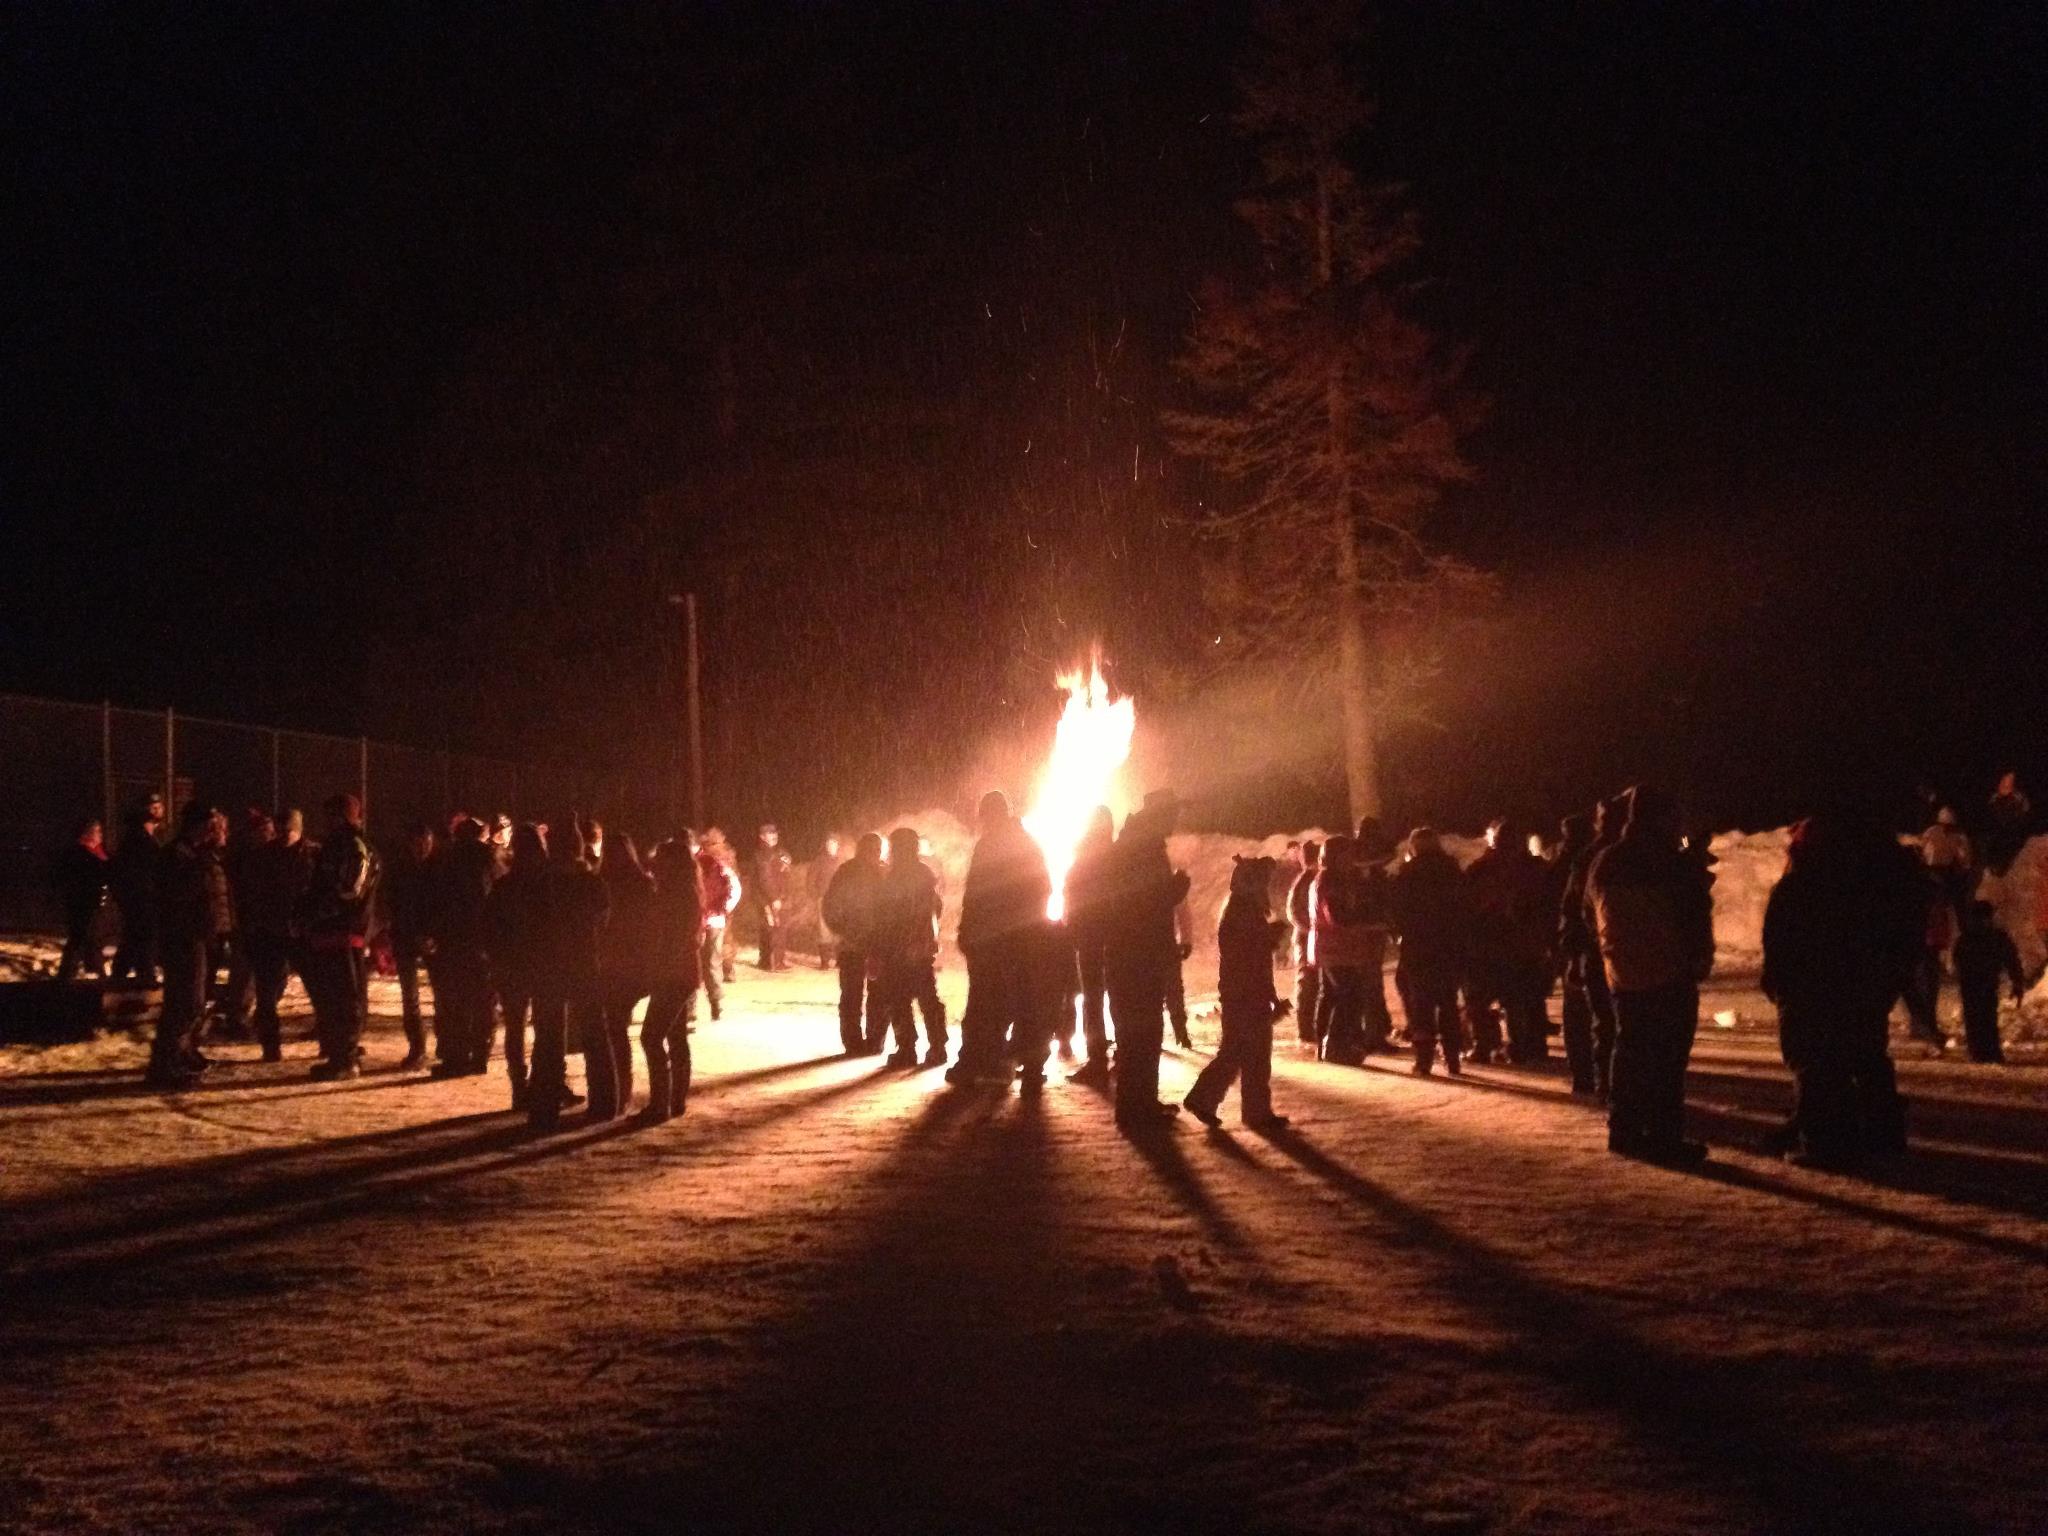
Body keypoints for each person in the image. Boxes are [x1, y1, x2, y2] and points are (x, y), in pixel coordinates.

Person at [1760, 810, 1921, 1166]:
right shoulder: (1862, 887)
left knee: (1814, 1064)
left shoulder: (1799, 888)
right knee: (1865, 1058)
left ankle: (1826, 1142)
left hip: (1809, 991)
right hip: (1861, 989)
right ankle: (1882, 1137)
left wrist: (1777, 981)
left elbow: (1780, 940)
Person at [1586, 784, 1715, 1166]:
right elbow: (1691, 913)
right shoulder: (1667, 862)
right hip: (1669, 971)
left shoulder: (1606, 860)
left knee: (1630, 1050)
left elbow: (1587, 912)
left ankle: (1623, 1130)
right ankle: (1663, 1137)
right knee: (1667, 1058)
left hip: (1623, 971)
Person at [948, 789, 1054, 1090]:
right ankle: (998, 1062)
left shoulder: (1003, 845)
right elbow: (1041, 888)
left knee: (995, 1003)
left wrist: (976, 930)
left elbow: (980, 895)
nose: (984, 822)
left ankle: (990, 1062)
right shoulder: (1021, 844)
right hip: (1004, 939)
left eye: (987, 816)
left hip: (1002, 940)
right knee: (1011, 1003)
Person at [1183, 855, 1291, 1131]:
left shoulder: (1243, 909)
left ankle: (1214, 1100)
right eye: (1262, 881)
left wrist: (1270, 995)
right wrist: (1270, 937)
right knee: (1248, 1052)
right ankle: (1247, 1110)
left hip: (1244, 991)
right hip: (1243, 993)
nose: (1265, 887)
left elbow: (1253, 953)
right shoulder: (1242, 911)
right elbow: (1249, 952)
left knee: (1242, 1051)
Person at [1103, 789, 1190, 1129]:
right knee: (1141, 1031)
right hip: (1138, 954)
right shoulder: (1142, 848)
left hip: (1134, 952)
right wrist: (1176, 888)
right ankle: (1135, 1110)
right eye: (1171, 815)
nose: (1175, 822)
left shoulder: (1134, 842)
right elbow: (1145, 903)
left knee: (1140, 1032)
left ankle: (1139, 1104)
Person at [528, 817, 608, 1132]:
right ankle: (604, 1102)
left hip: (548, 966)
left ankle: (543, 1109)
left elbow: (531, 922)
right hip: (584, 962)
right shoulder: (591, 881)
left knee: (548, 1039)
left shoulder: (542, 882)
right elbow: (603, 919)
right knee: (594, 1033)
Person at [145, 803, 232, 1088]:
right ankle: (165, 1064)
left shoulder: (200, 854)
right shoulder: (178, 854)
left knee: (195, 998)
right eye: (211, 826)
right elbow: (178, 896)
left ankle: (181, 1053)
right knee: (184, 1000)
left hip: (202, 934)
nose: (216, 832)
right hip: (183, 936)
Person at [1462, 817, 1555, 1065]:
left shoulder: (1481, 869)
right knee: (1529, 997)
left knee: (1492, 997)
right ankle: (1533, 1045)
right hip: (1528, 944)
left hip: (1494, 945)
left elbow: (1468, 907)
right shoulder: (1535, 868)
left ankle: (1495, 1046)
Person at [299, 793, 374, 1080]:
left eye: (332, 816)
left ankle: (346, 1058)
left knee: (345, 996)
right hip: (330, 931)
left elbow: (349, 891)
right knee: (331, 995)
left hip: (344, 931)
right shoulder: (335, 845)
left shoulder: (353, 846)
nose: (327, 822)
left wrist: (316, 912)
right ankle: (338, 1053)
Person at [1559, 796, 1626, 1098]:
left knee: (1604, 1021)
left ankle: (1604, 1082)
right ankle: (1612, 1084)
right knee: (1617, 1022)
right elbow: (1575, 909)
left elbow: (1573, 909)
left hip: (1598, 950)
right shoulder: (1598, 857)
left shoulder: (1591, 857)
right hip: (1616, 952)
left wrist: (1573, 953)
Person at [484, 823, 554, 1110]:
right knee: (545, 1025)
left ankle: (519, 1085)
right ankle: (543, 1082)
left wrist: (496, 958)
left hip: (511, 965)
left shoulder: (504, 886)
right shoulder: (547, 887)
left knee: (515, 1027)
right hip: (541, 964)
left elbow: (488, 927)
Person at [425, 817, 498, 1076]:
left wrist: (434, 931)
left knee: (453, 1001)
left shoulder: (447, 860)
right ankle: (480, 1054)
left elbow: (435, 899)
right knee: (482, 1000)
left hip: (453, 941)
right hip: (482, 942)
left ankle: (455, 1057)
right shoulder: (490, 860)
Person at [1391, 828, 1466, 1076]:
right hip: (1449, 946)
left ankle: (1424, 1060)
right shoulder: (1452, 871)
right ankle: (1453, 1057)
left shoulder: (1408, 874)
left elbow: (1397, 911)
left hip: (1418, 948)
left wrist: (1398, 932)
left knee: (1421, 1004)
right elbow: (1463, 906)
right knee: (1448, 1003)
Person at [873, 825, 950, 1068]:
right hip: (920, 948)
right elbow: (936, 908)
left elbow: (888, 916)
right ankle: (936, 1047)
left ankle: (907, 1048)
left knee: (900, 998)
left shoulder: (896, 878)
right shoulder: (924, 875)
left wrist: (884, 945)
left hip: (901, 948)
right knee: (926, 998)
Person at [642, 836, 706, 1121]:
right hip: (681, 972)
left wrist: (660, 963)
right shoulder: (682, 891)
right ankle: (675, 1099)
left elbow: (675, 937)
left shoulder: (678, 895)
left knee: (651, 1036)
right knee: (675, 1036)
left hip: (674, 974)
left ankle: (661, 1103)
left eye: (662, 860)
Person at [594, 834, 658, 1119]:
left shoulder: (604, 883)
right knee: (616, 1027)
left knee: (612, 1029)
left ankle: (616, 1094)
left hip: (615, 964)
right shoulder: (642, 883)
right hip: (632, 965)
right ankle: (620, 1092)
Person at [233, 811, 302, 1062]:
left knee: (290, 984)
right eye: (279, 830)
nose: (283, 835)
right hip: (268, 932)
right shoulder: (262, 857)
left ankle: (330, 1042)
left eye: (288, 831)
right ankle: (270, 1045)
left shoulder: (307, 854)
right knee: (266, 989)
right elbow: (251, 894)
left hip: (297, 931)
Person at [1310, 835, 1379, 1065]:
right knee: (1349, 994)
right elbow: (1338, 916)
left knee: (1331, 994)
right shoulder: (1331, 881)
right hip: (1337, 947)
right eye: (1347, 853)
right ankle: (1337, 1046)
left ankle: (1324, 1044)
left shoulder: (1326, 879)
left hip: (1329, 946)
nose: (1351, 858)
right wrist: (1368, 921)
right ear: (1337, 856)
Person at [820, 832, 887, 1056]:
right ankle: (860, 1041)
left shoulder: (880, 872)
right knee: (858, 993)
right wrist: (844, 930)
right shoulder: (852, 872)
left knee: (866, 994)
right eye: (873, 849)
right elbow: (831, 906)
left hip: (870, 944)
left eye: (878, 850)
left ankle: (865, 1041)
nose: (876, 854)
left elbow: (830, 906)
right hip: (859, 944)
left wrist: (843, 930)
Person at [1063, 805, 1116, 1082]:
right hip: (1110, 937)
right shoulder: (1118, 857)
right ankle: (1120, 1056)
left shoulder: (1083, 858)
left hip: (1091, 938)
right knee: (1115, 999)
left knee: (1093, 1000)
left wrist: (1072, 931)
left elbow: (1072, 897)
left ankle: (1097, 1060)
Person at [1550, 813, 1598, 1093]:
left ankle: (1582, 1072)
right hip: (1593, 945)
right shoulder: (1592, 858)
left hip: (1572, 945)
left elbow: (1550, 906)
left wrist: (1555, 942)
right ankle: (1600, 1072)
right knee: (1600, 1012)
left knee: (1577, 1011)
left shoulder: (1562, 865)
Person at [383, 821, 437, 1070]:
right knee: (410, 996)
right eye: (418, 844)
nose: (422, 848)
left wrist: (432, 934)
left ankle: (445, 1042)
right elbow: (393, 904)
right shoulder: (400, 870)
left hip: (430, 938)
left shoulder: (438, 869)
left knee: (441, 994)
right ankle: (418, 1047)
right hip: (406, 936)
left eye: (426, 843)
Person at [1952, 899, 2023, 1066]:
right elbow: (1959, 960)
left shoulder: (1992, 937)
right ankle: (1980, 1051)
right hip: (1972, 983)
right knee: (1976, 1017)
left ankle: (1987, 1051)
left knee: (1986, 1017)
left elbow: (2011, 960)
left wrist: (2017, 982)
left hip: (1985, 983)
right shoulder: (1970, 938)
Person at [107, 801, 165, 986]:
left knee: (134, 938)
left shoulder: (137, 840)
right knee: (142, 937)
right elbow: (146, 872)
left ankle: (133, 975)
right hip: (142, 899)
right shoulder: (141, 842)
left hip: (139, 899)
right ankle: (142, 976)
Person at [53, 818, 109, 981]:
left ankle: (96, 973)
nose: (100, 834)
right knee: (80, 939)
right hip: (82, 905)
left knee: (91, 940)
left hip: (94, 904)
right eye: (96, 831)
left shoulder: (98, 852)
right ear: (87, 833)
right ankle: (66, 976)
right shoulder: (79, 854)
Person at [694, 831, 742, 1017]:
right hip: (716, 919)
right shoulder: (719, 863)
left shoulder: (688, 864)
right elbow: (735, 886)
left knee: (694, 962)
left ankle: (690, 1010)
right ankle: (716, 1004)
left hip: (695, 921)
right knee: (712, 961)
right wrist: (725, 909)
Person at [1286, 841, 1321, 1045]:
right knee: (1308, 982)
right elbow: (1294, 912)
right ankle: (1305, 1029)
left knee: (1313, 983)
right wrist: (1312, 929)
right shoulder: (1306, 880)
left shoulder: (1309, 878)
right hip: (1306, 939)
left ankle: (1311, 1026)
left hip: (1311, 937)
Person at [751, 824, 792, 971]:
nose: (774, 835)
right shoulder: (764, 854)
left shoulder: (777, 852)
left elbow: (784, 875)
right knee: (776, 928)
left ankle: (766, 961)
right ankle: (775, 961)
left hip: (772, 897)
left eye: (775, 832)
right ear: (762, 836)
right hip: (769, 898)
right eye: (769, 833)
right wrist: (774, 898)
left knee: (768, 928)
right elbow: (765, 879)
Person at [807, 835, 846, 969]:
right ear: (825, 845)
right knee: (824, 930)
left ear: (838, 845)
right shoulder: (819, 861)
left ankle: (839, 959)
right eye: (829, 844)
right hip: (823, 899)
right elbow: (810, 880)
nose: (832, 846)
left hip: (839, 900)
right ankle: (825, 961)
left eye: (834, 844)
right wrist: (815, 895)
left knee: (840, 930)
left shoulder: (841, 862)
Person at [1983, 770, 2032, 874]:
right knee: (1996, 843)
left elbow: (2025, 811)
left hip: (2013, 828)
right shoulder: (1995, 798)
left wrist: (2017, 821)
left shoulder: (2019, 798)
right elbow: (1990, 811)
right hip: (1999, 828)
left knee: (2011, 846)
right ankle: (1996, 865)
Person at [1165, 890, 1196, 1050]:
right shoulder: (1169, 879)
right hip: (1167, 944)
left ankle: (1179, 1031)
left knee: (1152, 994)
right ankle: (1180, 1031)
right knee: (1174, 990)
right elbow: (1183, 913)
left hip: (1149, 945)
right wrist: (1186, 940)